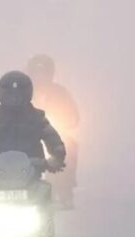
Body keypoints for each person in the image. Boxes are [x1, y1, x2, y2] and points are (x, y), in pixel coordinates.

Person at [0, 71, 66, 175]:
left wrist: (58, 153)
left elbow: (51, 135)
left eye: (19, 95)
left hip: (32, 175)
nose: (14, 99)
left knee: (48, 185)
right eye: (10, 95)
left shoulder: (37, 117)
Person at [26, 54, 80, 208]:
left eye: (44, 72)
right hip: (28, 135)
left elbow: (74, 115)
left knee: (69, 146)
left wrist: (70, 120)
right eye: (37, 72)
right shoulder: (23, 93)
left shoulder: (61, 92)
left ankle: (65, 190)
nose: (40, 76)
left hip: (54, 133)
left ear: (51, 73)